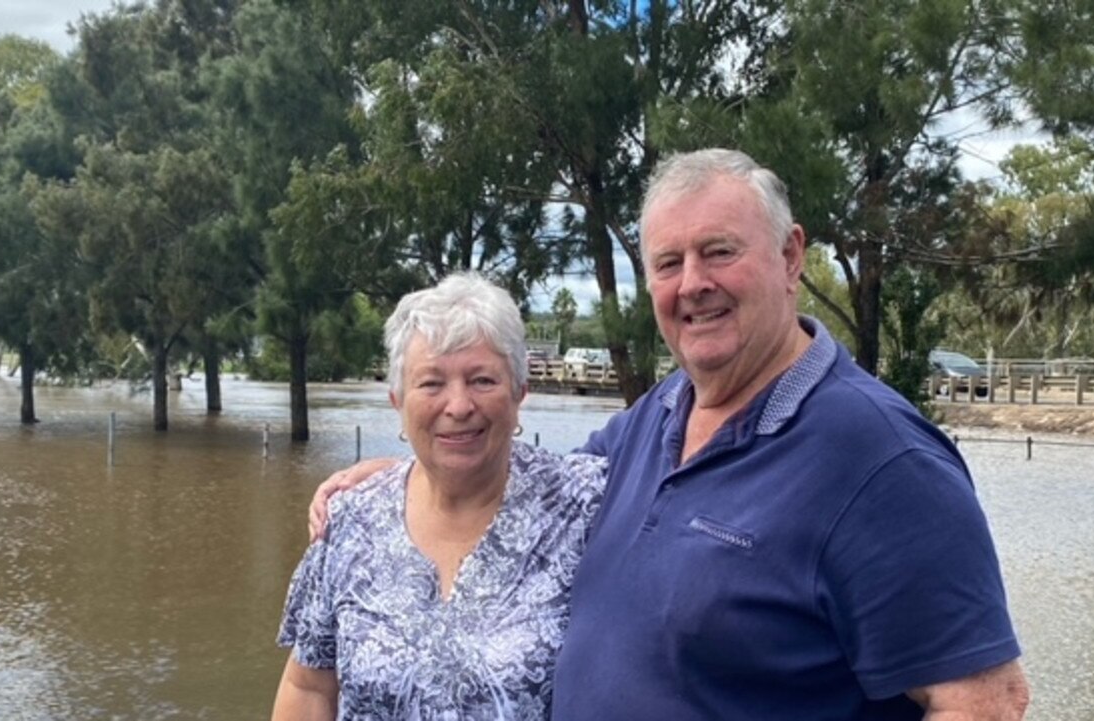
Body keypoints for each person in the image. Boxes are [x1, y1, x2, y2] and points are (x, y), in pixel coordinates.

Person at [309, 148, 1030, 720]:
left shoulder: (880, 457)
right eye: (668, 263)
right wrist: (414, 476)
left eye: (719, 252)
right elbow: (526, 490)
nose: (692, 284)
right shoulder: (657, 417)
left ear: (789, 258)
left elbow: (985, 702)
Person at [269, 272, 607, 720]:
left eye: (483, 380)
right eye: (431, 383)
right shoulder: (349, 520)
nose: (459, 405)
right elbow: (309, 685)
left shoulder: (585, 506)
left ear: (520, 393)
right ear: (398, 402)